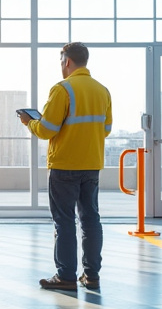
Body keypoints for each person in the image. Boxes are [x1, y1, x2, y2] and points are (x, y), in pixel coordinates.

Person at [19, 42, 112, 291]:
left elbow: (47, 129)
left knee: (64, 221)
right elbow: (106, 129)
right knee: (91, 219)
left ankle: (66, 276)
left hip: (64, 166)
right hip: (92, 165)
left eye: (61, 61)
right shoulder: (102, 91)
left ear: (67, 61)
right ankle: (91, 275)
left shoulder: (62, 89)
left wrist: (29, 122)